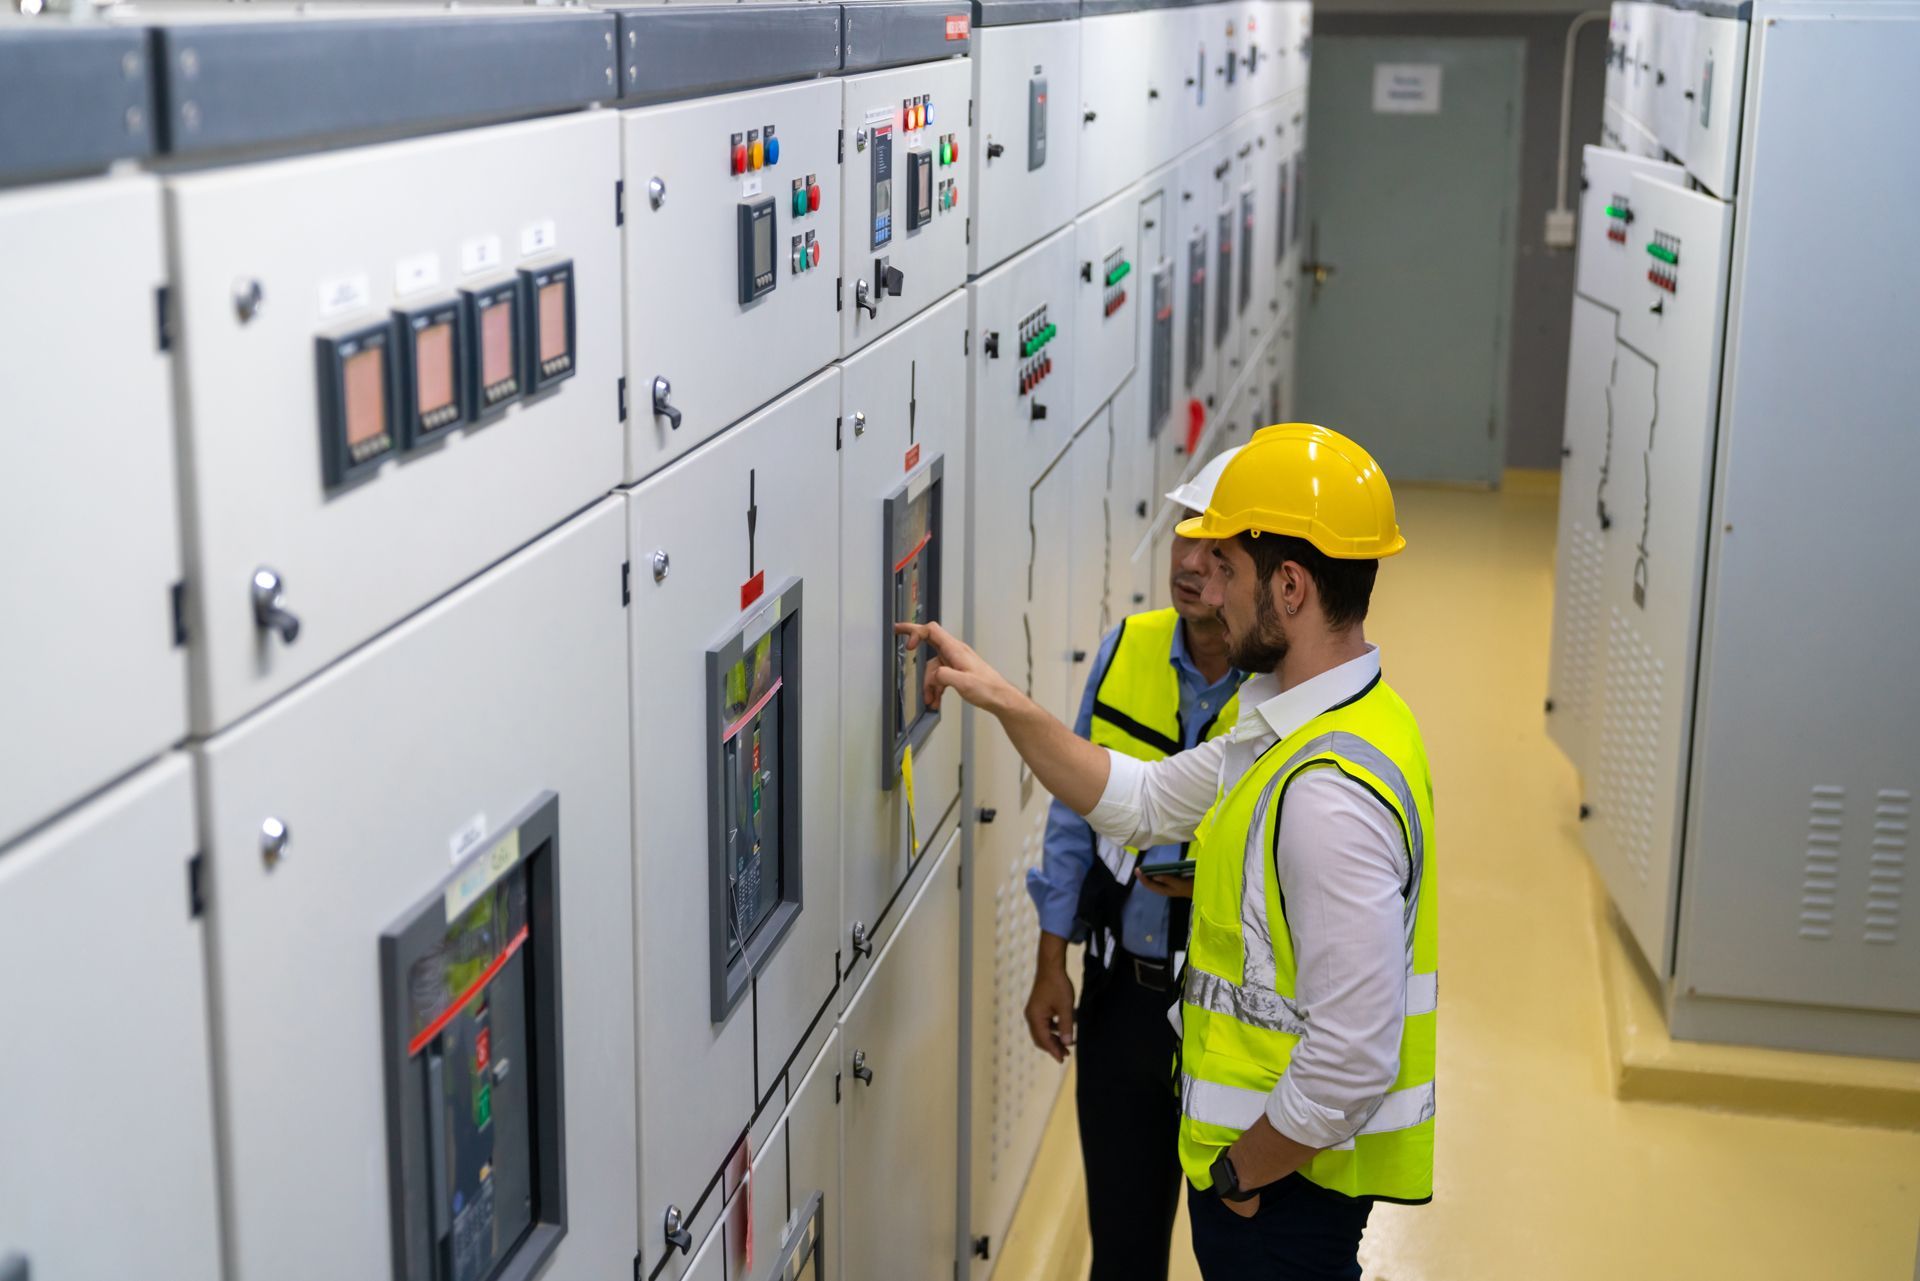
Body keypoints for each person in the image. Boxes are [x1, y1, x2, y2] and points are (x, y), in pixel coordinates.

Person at [899, 425, 1434, 1281]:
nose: (1207, 590)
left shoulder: (1327, 791)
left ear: (1290, 587)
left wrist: (1240, 1175)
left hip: (1286, 1192)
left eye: (1229, 570)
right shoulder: (1294, 725)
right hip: (1269, 1172)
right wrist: (999, 696)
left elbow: (1356, 1052)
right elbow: (1139, 797)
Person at [1024, 449, 1247, 1281]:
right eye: (1186, 530)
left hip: (1224, 1017)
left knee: (1235, 1249)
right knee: (1121, 1252)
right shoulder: (1128, 648)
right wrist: (1053, 962)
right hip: (1121, 1002)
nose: (1189, 559)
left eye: (1217, 543)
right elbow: (1073, 815)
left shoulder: (1282, 694)